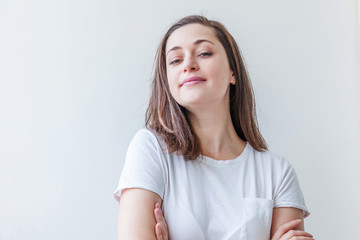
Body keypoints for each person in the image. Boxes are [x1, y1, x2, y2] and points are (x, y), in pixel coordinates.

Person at [114, 15, 312, 240]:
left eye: (204, 53)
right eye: (176, 60)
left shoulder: (277, 173)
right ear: (168, 81)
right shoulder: (151, 149)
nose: (188, 64)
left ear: (233, 72)